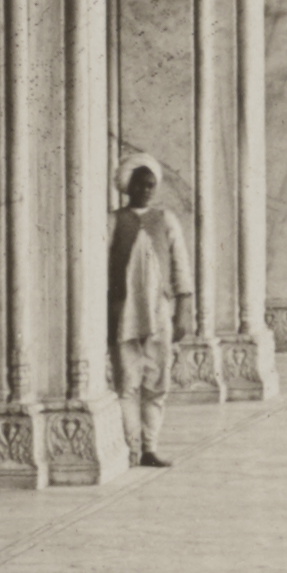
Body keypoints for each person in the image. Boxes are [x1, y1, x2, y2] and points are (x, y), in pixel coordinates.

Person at [107, 161, 190, 467]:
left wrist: (183, 309)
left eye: (150, 184)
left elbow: (181, 265)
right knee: (127, 381)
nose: (145, 190)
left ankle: (149, 447)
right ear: (128, 186)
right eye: (139, 184)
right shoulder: (113, 221)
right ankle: (131, 448)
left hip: (159, 312)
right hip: (122, 314)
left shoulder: (165, 219)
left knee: (156, 381)